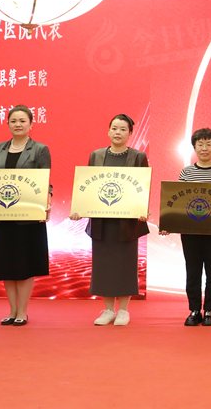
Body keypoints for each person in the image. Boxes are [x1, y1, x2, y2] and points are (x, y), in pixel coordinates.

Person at [70, 114, 149, 326]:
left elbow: (143, 187)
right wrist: (79, 209)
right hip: (102, 221)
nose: (118, 132)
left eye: (123, 129)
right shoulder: (96, 156)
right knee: (103, 265)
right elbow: (88, 187)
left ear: (130, 133)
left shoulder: (138, 157)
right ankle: (108, 310)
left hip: (127, 222)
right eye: (114, 128)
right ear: (108, 131)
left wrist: (143, 209)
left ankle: (123, 311)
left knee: (125, 264)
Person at [0, 105, 51, 326]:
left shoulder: (40, 149)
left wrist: (46, 203)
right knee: (6, 266)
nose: (18, 125)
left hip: (27, 218)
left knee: (25, 265)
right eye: (13, 121)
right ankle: (12, 310)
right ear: (8, 124)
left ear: (31, 124)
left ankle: (23, 311)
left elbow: (44, 181)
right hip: (2, 216)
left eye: (22, 121)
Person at [160, 128, 211, 327]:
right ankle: (194, 310)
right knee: (192, 272)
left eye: (209, 144)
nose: (204, 148)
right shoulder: (187, 172)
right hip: (190, 232)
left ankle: (209, 311)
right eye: (200, 144)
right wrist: (168, 223)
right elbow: (178, 203)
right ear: (194, 147)